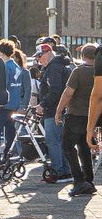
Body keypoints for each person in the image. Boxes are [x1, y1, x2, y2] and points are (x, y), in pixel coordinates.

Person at [55, 43, 97, 196]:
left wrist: (58, 111)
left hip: (75, 115)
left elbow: (68, 93)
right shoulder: (98, 73)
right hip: (92, 117)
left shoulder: (78, 72)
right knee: (84, 148)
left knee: (67, 147)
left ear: (82, 56)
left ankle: (79, 181)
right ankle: (89, 181)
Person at [0, 38, 27, 166]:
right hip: (14, 104)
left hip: (3, 104)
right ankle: (7, 154)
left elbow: (2, 86)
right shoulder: (17, 67)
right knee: (10, 132)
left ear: (2, 52)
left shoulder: (4, 67)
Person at [36, 42, 73, 183]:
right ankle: (65, 171)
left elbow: (56, 90)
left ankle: (59, 172)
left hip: (54, 111)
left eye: (41, 55)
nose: (39, 59)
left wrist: (43, 105)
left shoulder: (54, 68)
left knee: (53, 141)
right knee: (59, 141)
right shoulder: (57, 66)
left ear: (49, 53)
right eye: (38, 56)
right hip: (59, 109)